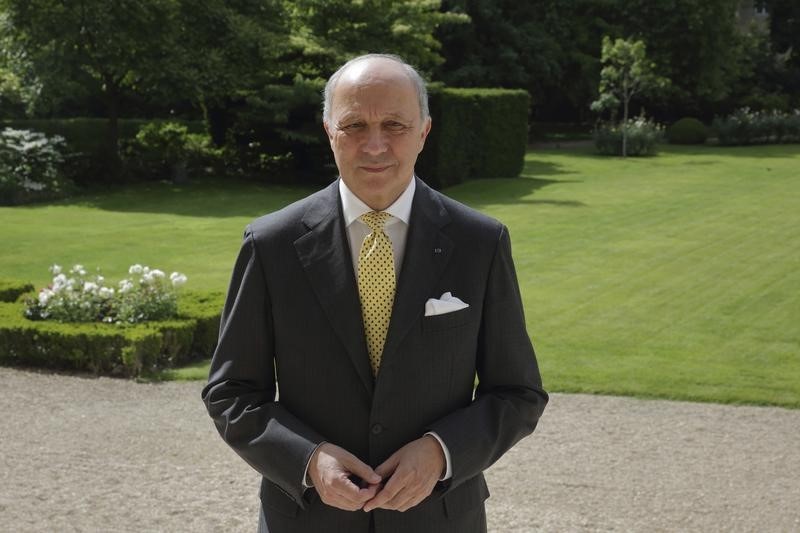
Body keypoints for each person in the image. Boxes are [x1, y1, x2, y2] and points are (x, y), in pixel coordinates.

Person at [202, 53, 548, 533]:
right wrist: (307, 460)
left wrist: (441, 451)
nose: (375, 145)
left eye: (394, 125)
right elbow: (232, 392)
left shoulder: (480, 242)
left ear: (424, 131)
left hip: (440, 520)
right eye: (354, 126)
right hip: (306, 521)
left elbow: (518, 392)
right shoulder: (270, 244)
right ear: (329, 131)